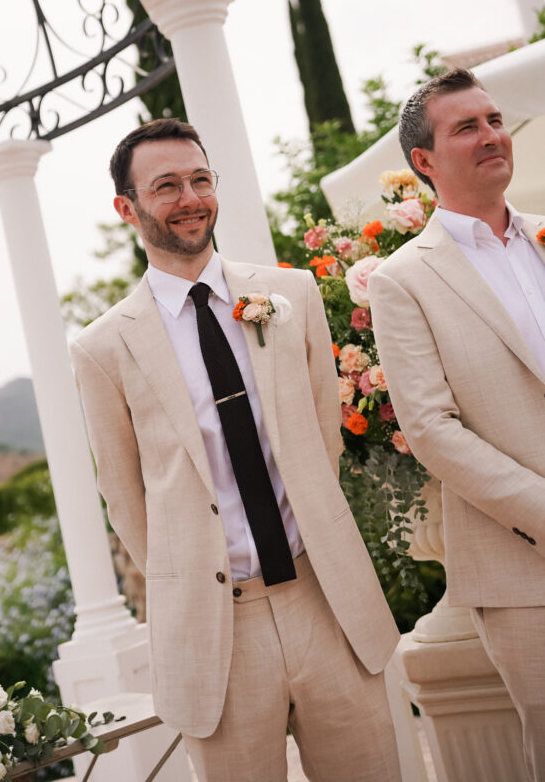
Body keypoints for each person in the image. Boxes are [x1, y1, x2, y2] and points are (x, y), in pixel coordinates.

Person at [70, 117, 401, 782]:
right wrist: (193, 574)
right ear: (126, 208)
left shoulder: (289, 295)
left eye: (199, 180)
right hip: (216, 628)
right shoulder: (101, 348)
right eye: (165, 186)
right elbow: (127, 501)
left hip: (322, 600)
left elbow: (322, 434)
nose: (189, 197)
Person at [368, 68, 545, 781]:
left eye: (494, 119)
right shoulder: (402, 280)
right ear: (423, 161)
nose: (491, 136)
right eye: (466, 127)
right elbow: (433, 429)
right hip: (521, 569)